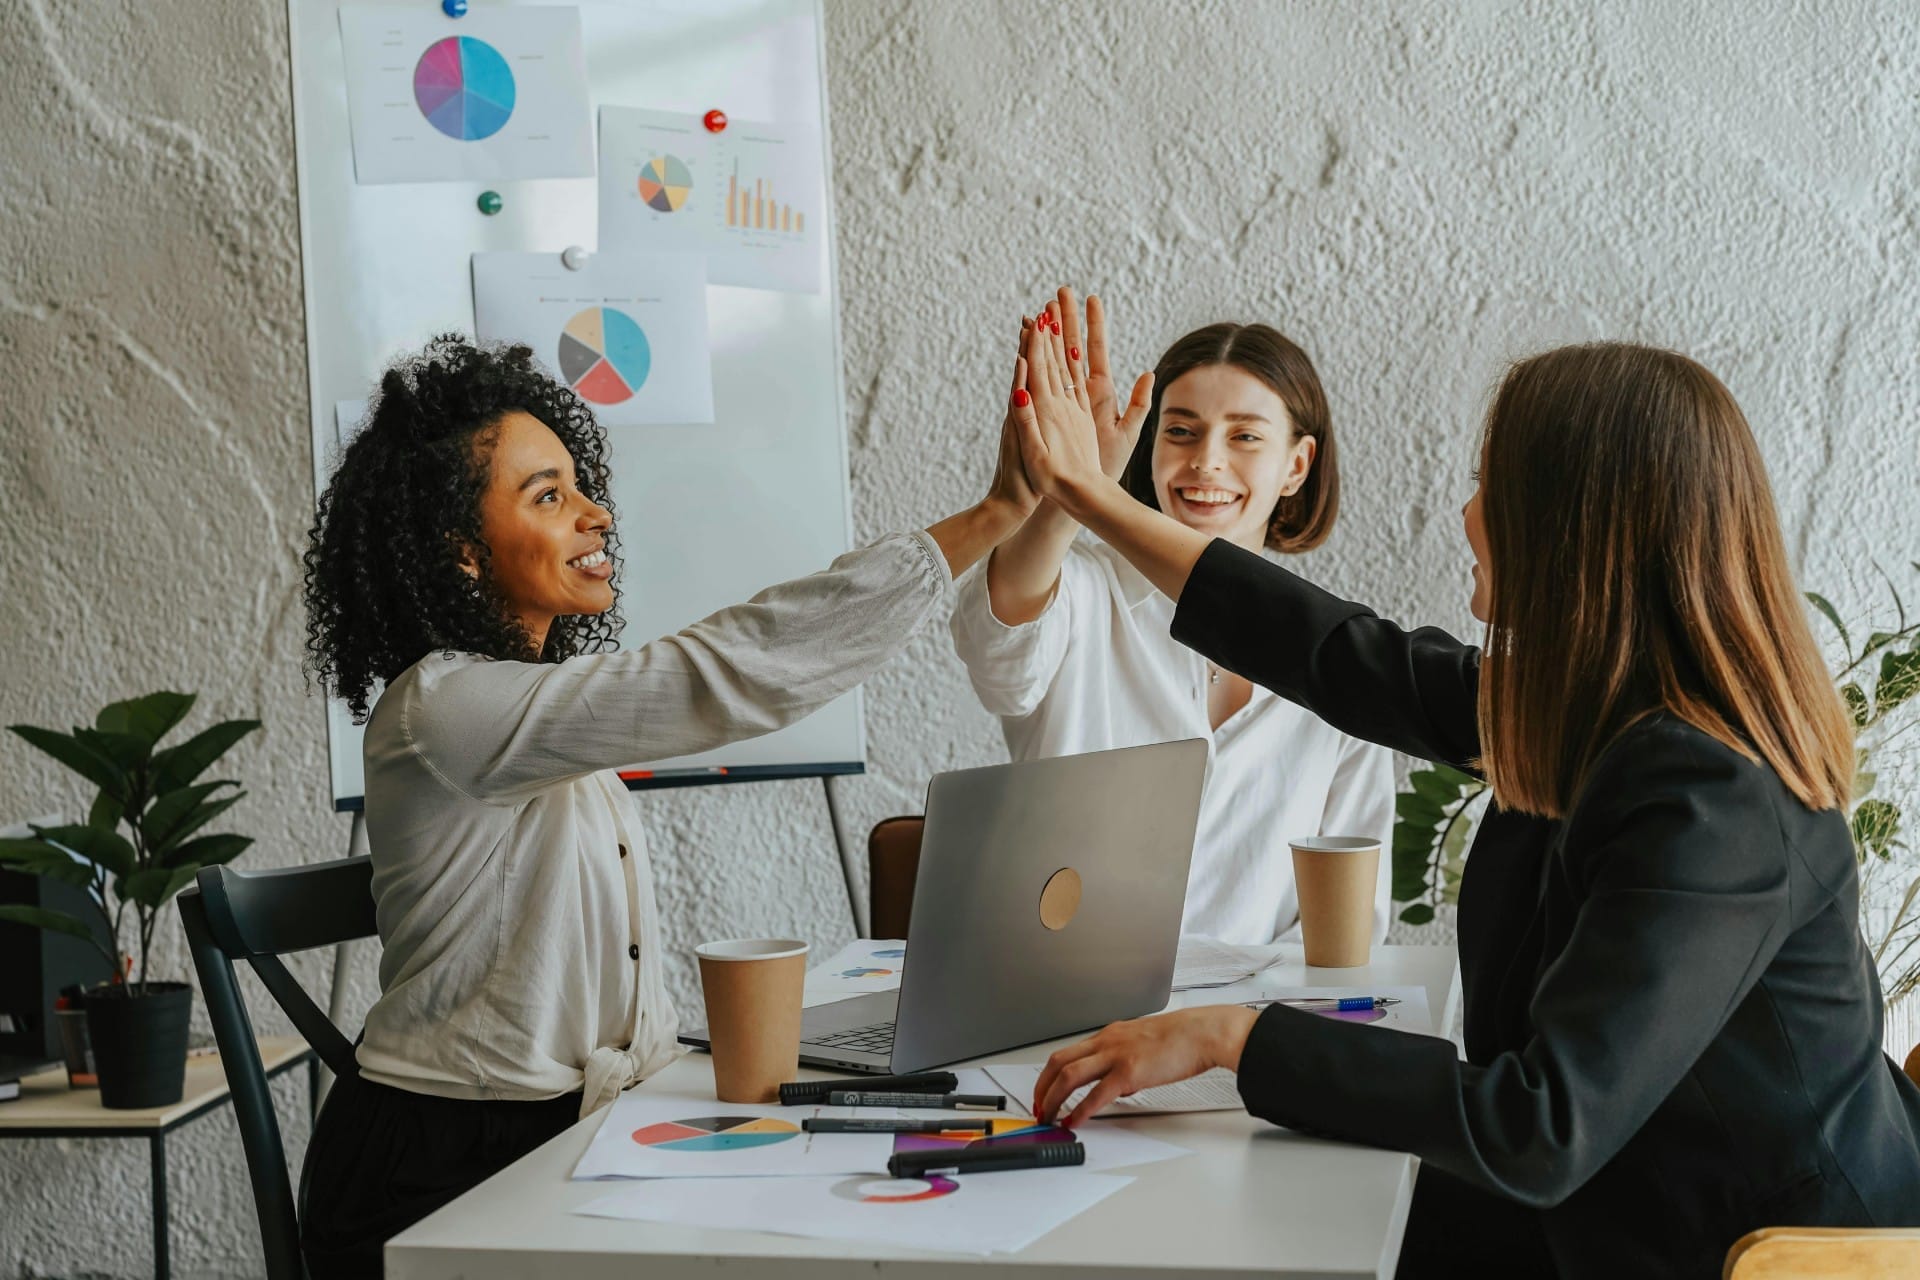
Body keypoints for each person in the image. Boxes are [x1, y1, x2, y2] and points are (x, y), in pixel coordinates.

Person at [1007, 314, 1920, 1278]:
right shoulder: (1590, 708)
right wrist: (1084, 496)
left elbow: (1537, 1125)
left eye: (1493, 483)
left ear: (1575, 528)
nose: (1469, 513)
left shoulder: (1711, 793)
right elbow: (1334, 653)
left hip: (1744, 1251)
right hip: (1617, 1198)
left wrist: (1234, 1037)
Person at [296, 335, 1039, 1276]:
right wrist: (994, 516)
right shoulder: (445, 709)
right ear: (460, 554)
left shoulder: (533, 713)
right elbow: (716, 677)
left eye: (579, 485)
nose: (596, 514)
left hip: (557, 1137)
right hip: (443, 1168)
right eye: (548, 497)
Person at [950, 291, 1393, 944]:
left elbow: (1350, 922)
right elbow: (997, 650)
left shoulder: (1341, 656)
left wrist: (1240, 1034)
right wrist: (1073, 488)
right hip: (1063, 1018)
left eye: (1244, 436)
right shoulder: (1081, 592)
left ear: (1296, 465)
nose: (1206, 460)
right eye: (1180, 430)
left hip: (1246, 1030)